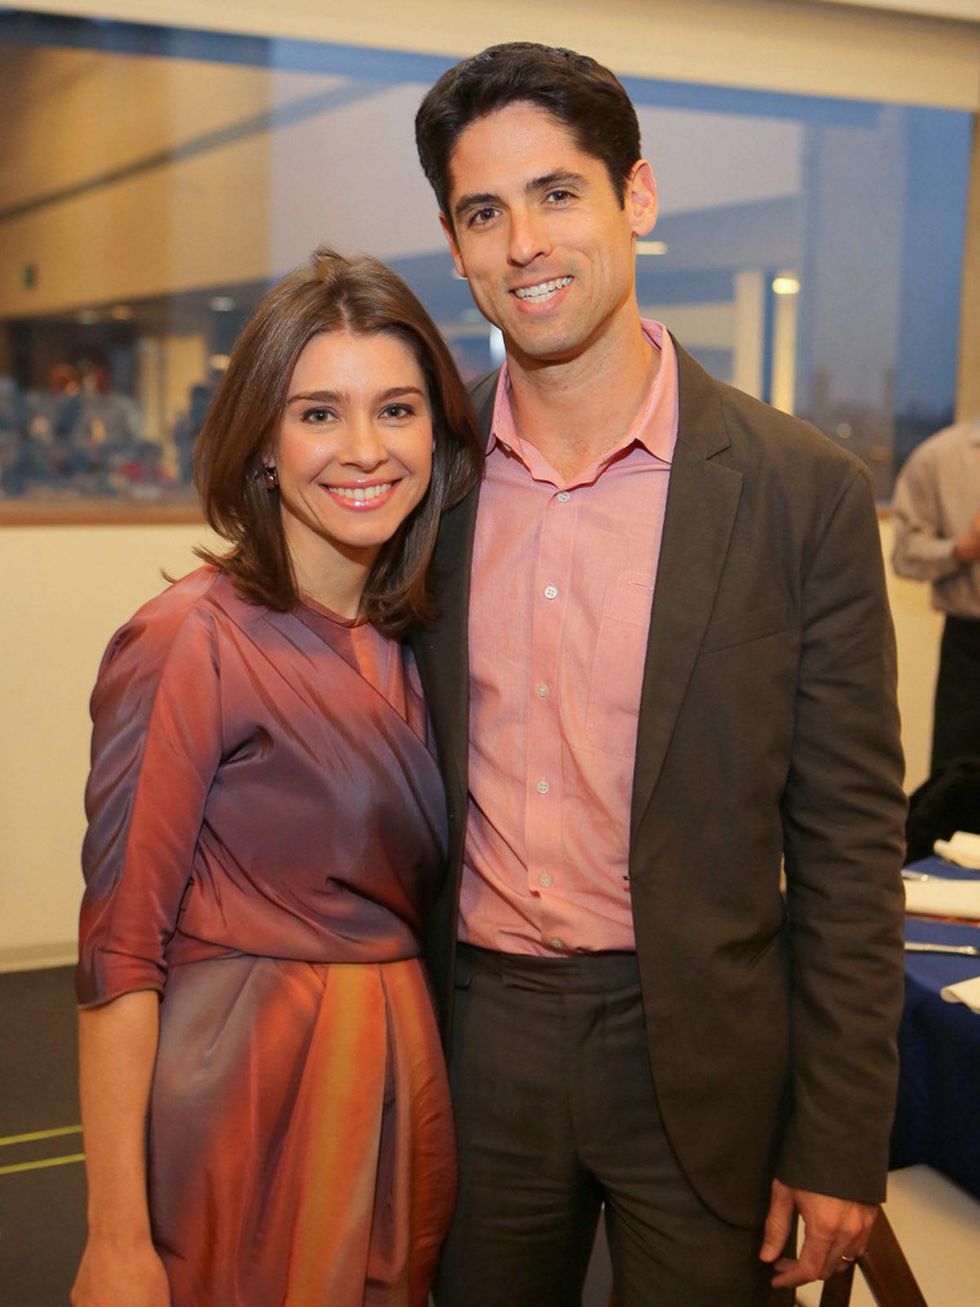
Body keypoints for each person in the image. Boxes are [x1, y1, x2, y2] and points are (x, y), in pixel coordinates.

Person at [411, 42, 907, 1307]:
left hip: (701, 1041)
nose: (524, 242)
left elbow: (850, 848)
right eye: (484, 211)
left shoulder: (802, 495)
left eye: (557, 192)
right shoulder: (421, 483)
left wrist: (840, 1135)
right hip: (475, 1036)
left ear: (635, 197)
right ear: (454, 245)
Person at [71, 247, 482, 1307]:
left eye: (395, 409)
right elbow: (119, 953)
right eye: (317, 413)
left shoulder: (417, 640)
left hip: (395, 1074)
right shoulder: (187, 641)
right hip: (247, 1091)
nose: (362, 448)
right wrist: (116, 1239)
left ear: (434, 435)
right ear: (261, 438)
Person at [891, 417, 980, 774]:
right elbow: (905, 555)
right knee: (959, 787)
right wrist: (965, 549)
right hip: (970, 650)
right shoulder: (941, 457)